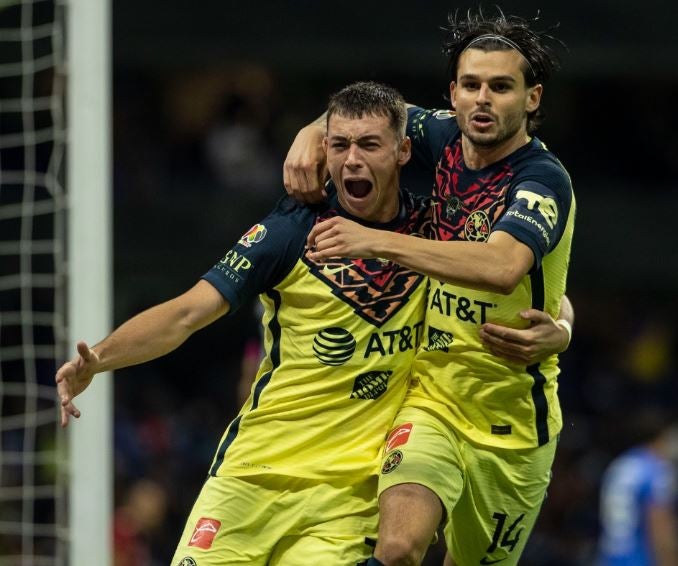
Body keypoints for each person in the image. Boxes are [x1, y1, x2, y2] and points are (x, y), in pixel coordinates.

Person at [57, 81, 431, 566]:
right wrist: (100, 360)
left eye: (369, 145)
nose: (352, 160)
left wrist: (565, 322)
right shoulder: (292, 228)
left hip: (347, 498)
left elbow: (510, 272)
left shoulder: (435, 235)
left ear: (403, 151)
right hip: (250, 476)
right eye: (339, 145)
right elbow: (186, 313)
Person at [285, 9, 575, 566]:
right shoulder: (436, 135)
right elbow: (363, 116)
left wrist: (377, 242)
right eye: (471, 85)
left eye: (500, 86)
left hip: (512, 422)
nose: (483, 99)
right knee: (396, 548)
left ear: (532, 98)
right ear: (453, 93)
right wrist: (309, 133)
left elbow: (503, 267)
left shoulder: (543, 180)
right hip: (432, 398)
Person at [597, 409, 678, 566]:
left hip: (609, 559)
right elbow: (659, 529)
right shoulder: (656, 470)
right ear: (662, 436)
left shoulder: (619, 465)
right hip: (640, 560)